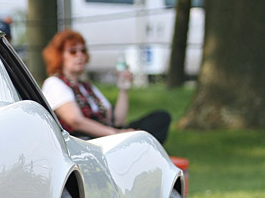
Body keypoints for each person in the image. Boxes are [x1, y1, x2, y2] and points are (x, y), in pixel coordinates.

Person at [40, 29, 170, 143]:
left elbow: (118, 121)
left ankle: (138, 146)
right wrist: (116, 135)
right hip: (86, 141)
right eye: (73, 52)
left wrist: (123, 89)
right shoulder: (54, 83)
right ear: (59, 56)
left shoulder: (87, 87)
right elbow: (75, 120)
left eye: (83, 50)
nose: (80, 55)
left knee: (161, 118)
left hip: (107, 134)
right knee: (140, 136)